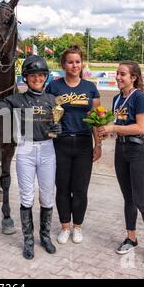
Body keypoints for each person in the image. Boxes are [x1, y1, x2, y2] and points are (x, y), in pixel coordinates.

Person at [0, 55, 60, 260]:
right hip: (26, 150)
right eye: (33, 75)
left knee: (47, 196)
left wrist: (58, 128)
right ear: (25, 78)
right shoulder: (15, 100)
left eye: (41, 75)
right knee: (26, 197)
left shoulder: (52, 100)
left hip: (48, 150)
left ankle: (45, 236)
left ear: (46, 77)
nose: (37, 78)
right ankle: (28, 240)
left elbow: (56, 126)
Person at [98, 61, 144, 265]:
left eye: (122, 74)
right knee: (128, 199)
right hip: (121, 150)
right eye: (117, 73)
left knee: (141, 200)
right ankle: (131, 238)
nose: (118, 77)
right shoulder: (116, 99)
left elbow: (140, 128)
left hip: (138, 151)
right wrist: (107, 132)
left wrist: (113, 128)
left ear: (133, 77)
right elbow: (119, 126)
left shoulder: (140, 97)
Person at [45, 45, 102, 245]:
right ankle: (64, 227)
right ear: (63, 64)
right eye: (70, 62)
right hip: (60, 143)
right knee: (62, 187)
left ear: (82, 63)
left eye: (77, 61)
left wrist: (98, 144)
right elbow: (47, 116)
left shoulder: (90, 88)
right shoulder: (53, 87)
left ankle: (77, 227)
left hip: (84, 143)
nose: (74, 65)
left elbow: (95, 119)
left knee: (80, 189)